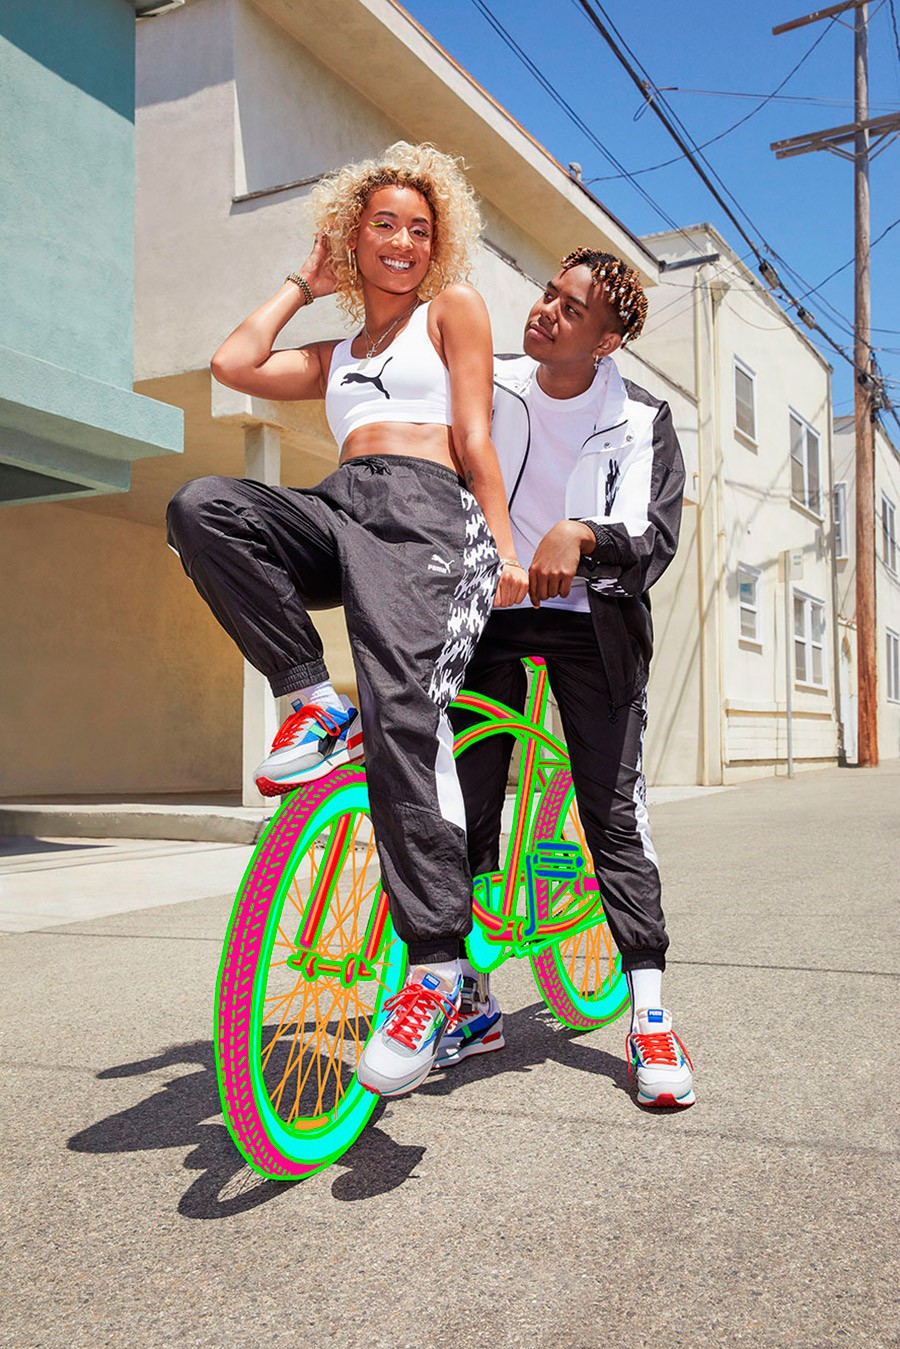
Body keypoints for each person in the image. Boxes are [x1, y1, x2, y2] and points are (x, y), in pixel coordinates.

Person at [166, 142, 529, 1099]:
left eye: (421, 228)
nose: (404, 241)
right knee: (205, 506)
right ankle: (311, 701)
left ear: (438, 245)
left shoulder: (451, 311)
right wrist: (304, 282)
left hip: (430, 517)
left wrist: (502, 548)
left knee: (403, 712)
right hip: (343, 507)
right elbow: (232, 362)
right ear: (352, 236)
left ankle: (437, 970)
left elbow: (476, 434)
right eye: (384, 225)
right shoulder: (337, 356)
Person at [440, 247, 695, 1108]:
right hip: (496, 610)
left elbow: (654, 538)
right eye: (548, 294)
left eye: (571, 308)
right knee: (468, 800)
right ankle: (474, 999)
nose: (545, 311)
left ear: (607, 340)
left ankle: (650, 1012)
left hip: (597, 626)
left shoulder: (642, 417)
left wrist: (583, 534)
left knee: (611, 812)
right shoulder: (494, 384)